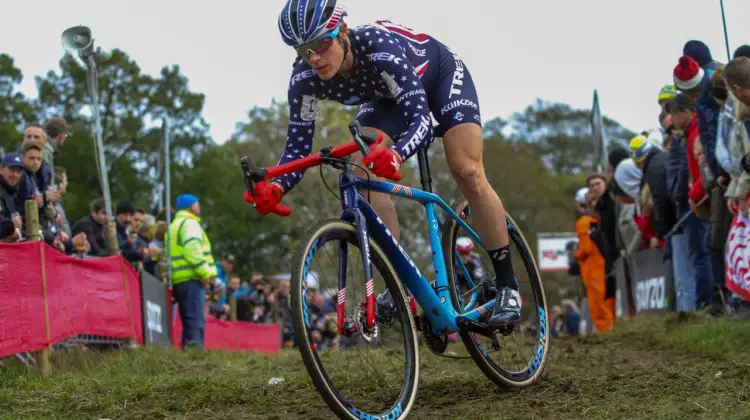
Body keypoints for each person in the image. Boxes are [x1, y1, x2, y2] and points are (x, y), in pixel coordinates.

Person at [246, 0, 520, 328]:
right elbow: (297, 148)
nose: (314, 58)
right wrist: (277, 185)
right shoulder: (305, 81)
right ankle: (398, 279)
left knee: (467, 170)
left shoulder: (378, 49)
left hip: (439, 77)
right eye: (303, 49)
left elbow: (418, 118)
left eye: (321, 44)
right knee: (361, 169)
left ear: (342, 32)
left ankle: (508, 285)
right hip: (387, 97)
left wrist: (396, 154)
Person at [169, 193, 217, 350]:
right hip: (192, 277)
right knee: (195, 319)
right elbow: (193, 250)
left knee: (188, 318)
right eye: (197, 204)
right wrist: (206, 273)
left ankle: (188, 351)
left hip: (179, 278)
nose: (199, 207)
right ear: (191, 206)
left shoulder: (175, 224)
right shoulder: (190, 224)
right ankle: (195, 352)